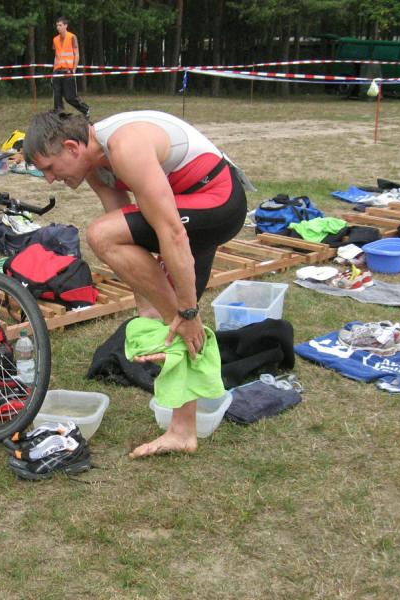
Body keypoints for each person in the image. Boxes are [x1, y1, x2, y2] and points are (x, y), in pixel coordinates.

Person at [24, 110, 248, 458]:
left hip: (217, 200)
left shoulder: (124, 145)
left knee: (102, 236)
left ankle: (182, 320)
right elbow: (131, 237)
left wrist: (185, 310)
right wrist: (148, 307)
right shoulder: (94, 165)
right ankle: (183, 431)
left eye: (50, 168)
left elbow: (171, 232)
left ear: (71, 147)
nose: (50, 179)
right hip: (189, 206)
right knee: (171, 321)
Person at [51, 17, 89, 118]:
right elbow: (56, 56)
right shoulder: (55, 39)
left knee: (70, 97)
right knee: (57, 96)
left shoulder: (72, 37)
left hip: (68, 71)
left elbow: (76, 54)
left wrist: (74, 69)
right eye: (57, 25)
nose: (58, 27)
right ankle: (59, 115)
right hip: (57, 71)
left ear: (65, 26)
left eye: (60, 25)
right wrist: (53, 71)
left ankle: (85, 109)